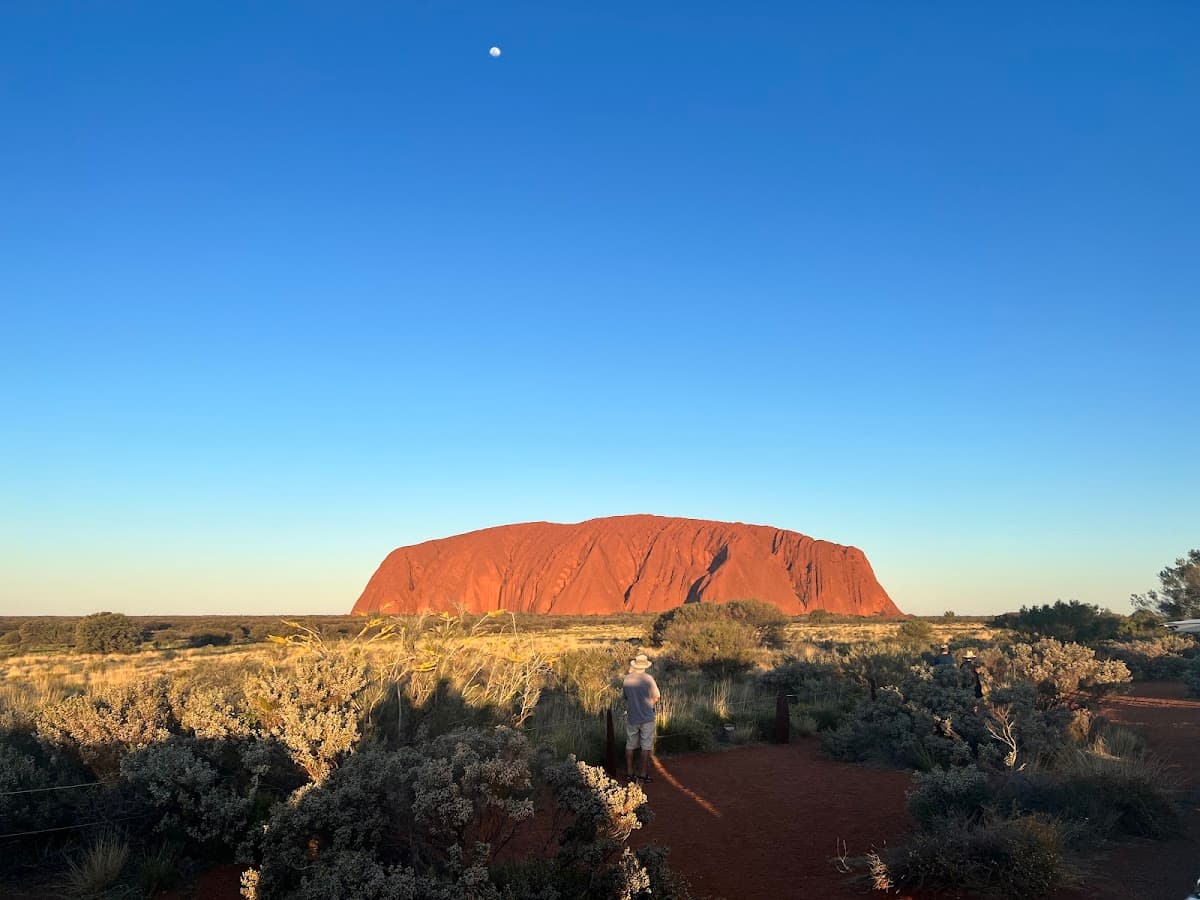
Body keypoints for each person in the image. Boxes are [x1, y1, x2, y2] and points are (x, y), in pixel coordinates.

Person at [622, 652, 660, 784]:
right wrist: (649, 705)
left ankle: (629, 773)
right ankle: (642, 774)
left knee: (630, 745)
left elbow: (626, 697)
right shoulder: (648, 679)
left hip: (632, 717)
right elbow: (656, 697)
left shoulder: (627, 679)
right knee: (646, 746)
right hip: (647, 717)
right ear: (645, 666)